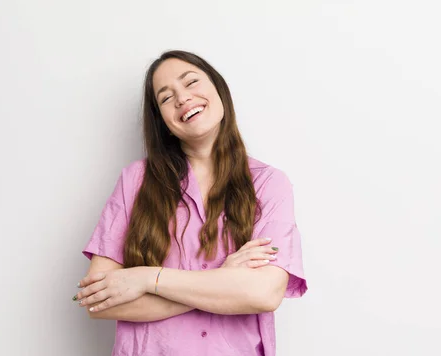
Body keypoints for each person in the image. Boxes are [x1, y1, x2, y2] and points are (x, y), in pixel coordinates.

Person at [74, 50, 308, 356]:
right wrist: (224, 281)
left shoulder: (269, 184)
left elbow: (264, 293)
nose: (183, 98)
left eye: (191, 82)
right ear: (163, 121)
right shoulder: (136, 180)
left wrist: (147, 278)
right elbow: (97, 301)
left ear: (218, 88)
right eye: (166, 98)